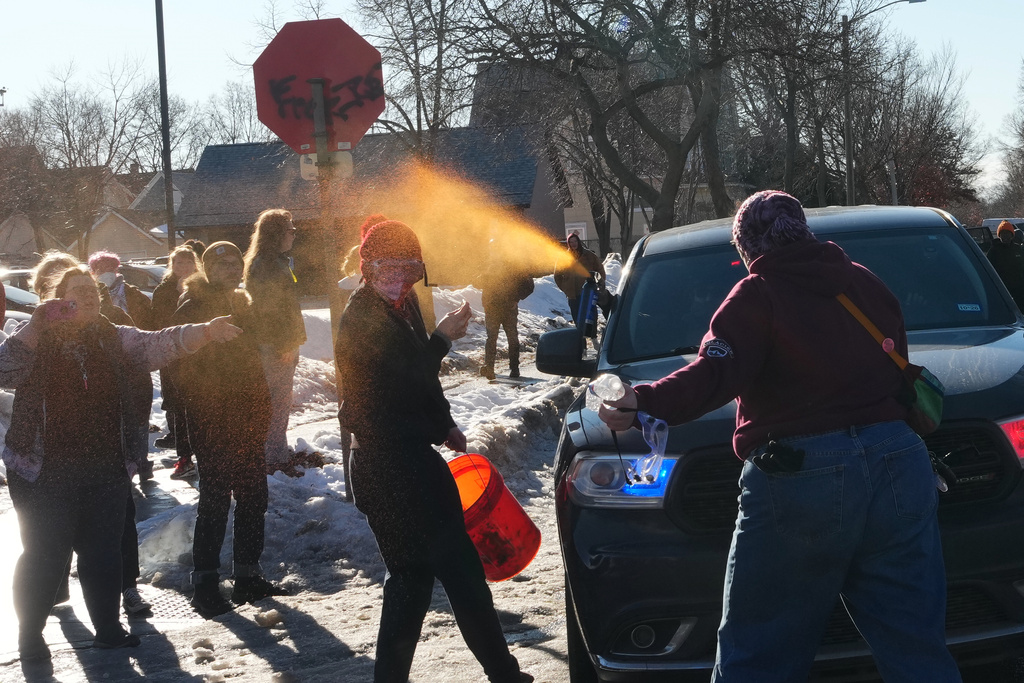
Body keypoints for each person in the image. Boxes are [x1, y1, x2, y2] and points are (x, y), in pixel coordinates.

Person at [596, 191, 961, 683]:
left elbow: (714, 375)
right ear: (802, 230)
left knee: (758, 652)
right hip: (900, 461)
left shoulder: (757, 294)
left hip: (800, 475)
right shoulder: (864, 283)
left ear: (748, 246)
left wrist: (641, 402)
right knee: (915, 643)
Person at [0, 265, 242, 661]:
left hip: (105, 465)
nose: (90, 296)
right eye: (77, 291)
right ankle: (30, 635)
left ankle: (108, 629)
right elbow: (3, 369)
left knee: (103, 551)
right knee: (45, 552)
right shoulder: (34, 340)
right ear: (56, 299)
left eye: (93, 290)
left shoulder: (112, 337)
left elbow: (156, 343)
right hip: (43, 469)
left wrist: (204, 332)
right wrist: (36, 327)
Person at [335, 220, 532, 683]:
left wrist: (444, 424)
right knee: (460, 573)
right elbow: (400, 381)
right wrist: (441, 341)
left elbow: (422, 381)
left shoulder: (399, 308)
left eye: (411, 267)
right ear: (368, 268)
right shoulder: (363, 316)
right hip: (392, 464)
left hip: (397, 460)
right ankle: (504, 674)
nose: (402, 277)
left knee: (411, 580)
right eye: (390, 267)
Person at [171, 241, 289, 617]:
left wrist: (260, 409)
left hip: (247, 420)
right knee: (216, 502)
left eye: (235, 261)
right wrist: (198, 425)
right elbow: (184, 374)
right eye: (220, 263)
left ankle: (247, 576)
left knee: (255, 498)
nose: (230, 267)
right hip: (213, 424)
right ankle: (204, 584)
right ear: (206, 268)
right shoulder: (193, 308)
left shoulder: (243, 304)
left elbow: (253, 364)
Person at [243, 209, 306, 473]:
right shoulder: (269, 265)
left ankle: (276, 451)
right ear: (277, 234)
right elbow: (271, 311)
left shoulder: (271, 261)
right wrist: (285, 344)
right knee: (277, 402)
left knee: (278, 401)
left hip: (277, 342)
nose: (293, 235)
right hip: (276, 345)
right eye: (290, 230)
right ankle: (275, 458)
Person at [152, 246, 201, 480]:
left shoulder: (202, 287)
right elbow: (160, 323)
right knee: (179, 408)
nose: (183, 268)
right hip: (173, 356)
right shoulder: (163, 291)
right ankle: (185, 457)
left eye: (187, 263)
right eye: (178, 263)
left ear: (195, 264)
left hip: (201, 357)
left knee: (200, 408)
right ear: (172, 266)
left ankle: (206, 453)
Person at [479, 256, 534, 380]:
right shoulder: (491, 265)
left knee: (512, 338)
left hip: (508, 308)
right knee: (491, 338)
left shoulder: (516, 266)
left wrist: (516, 298)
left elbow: (529, 285)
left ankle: (514, 369)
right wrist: (486, 303)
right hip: (492, 308)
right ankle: (489, 368)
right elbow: (483, 284)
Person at [88, 251, 153, 330]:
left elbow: (148, 322)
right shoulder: (89, 295)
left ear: (116, 271)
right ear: (92, 273)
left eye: (111, 270)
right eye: (101, 271)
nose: (107, 274)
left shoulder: (133, 294)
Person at [554, 232, 604, 324]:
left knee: (590, 315)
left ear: (579, 241)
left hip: (588, 291)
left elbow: (600, 270)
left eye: (575, 241)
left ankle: (592, 335)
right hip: (572, 294)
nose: (574, 244)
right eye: (571, 242)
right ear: (568, 243)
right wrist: (566, 288)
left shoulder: (589, 255)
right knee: (577, 316)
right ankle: (580, 336)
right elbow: (557, 275)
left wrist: (599, 285)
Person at [986, 220, 1024, 307]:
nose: (1005, 236)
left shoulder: (1017, 249)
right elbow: (988, 270)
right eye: (1003, 234)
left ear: (1012, 235)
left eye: (1008, 233)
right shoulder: (994, 251)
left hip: (1019, 291)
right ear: (999, 235)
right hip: (1002, 290)